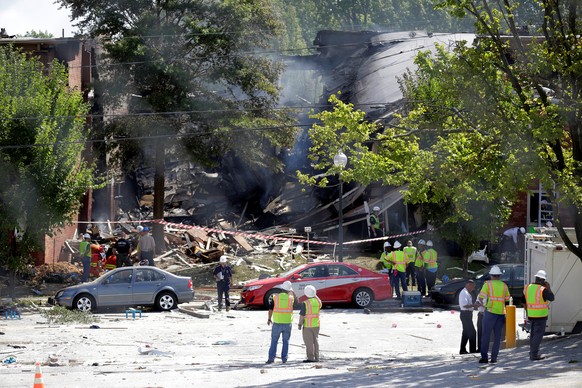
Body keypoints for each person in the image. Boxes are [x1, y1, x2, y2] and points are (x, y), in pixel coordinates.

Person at [477, 265, 510, 364]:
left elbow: (481, 297)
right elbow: (508, 299)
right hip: (500, 313)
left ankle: (484, 358)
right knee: (497, 337)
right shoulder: (504, 285)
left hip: (490, 312)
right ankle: (494, 358)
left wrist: (483, 305)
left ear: (491, 275)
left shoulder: (487, 284)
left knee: (486, 336)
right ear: (499, 276)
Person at [524, 269, 555, 361]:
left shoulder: (528, 287)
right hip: (540, 316)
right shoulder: (543, 290)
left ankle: (532, 353)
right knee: (537, 336)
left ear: (536, 278)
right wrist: (548, 288)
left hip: (531, 315)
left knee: (533, 335)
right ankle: (534, 355)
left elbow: (524, 300)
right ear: (543, 280)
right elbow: (552, 298)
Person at [266, 281, 295, 364]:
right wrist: (291, 291)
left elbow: (270, 309)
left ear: (282, 288)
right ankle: (284, 359)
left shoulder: (275, 297)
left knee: (274, 341)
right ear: (289, 290)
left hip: (277, 322)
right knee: (286, 341)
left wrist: (269, 319)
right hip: (287, 322)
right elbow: (293, 298)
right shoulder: (291, 298)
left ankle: (271, 358)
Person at [298, 285, 321, 363]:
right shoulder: (318, 302)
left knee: (309, 342)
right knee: (316, 341)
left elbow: (302, 315)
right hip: (316, 325)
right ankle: (317, 357)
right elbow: (319, 301)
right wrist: (315, 294)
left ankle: (310, 358)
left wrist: (299, 324)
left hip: (308, 326)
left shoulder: (306, 303)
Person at [459, 279, 478, 354]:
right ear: (468, 285)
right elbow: (465, 305)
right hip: (465, 314)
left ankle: (462, 349)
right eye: (472, 287)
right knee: (472, 332)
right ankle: (472, 350)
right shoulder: (464, 293)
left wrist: (474, 306)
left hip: (468, 314)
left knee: (466, 332)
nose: (473, 289)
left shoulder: (467, 293)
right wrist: (474, 305)